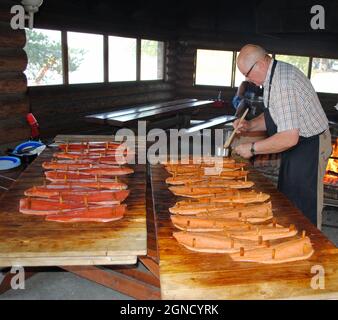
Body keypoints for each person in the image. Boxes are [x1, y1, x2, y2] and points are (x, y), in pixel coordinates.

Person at [233, 44, 332, 229]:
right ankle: (292, 236)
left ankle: (310, 246)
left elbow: (288, 137)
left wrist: (252, 148)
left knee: (305, 203)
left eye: (247, 73)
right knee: (289, 198)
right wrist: (249, 124)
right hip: (297, 143)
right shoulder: (272, 77)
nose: (247, 79)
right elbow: (274, 114)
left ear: (261, 63)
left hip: (311, 144)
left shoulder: (283, 82)